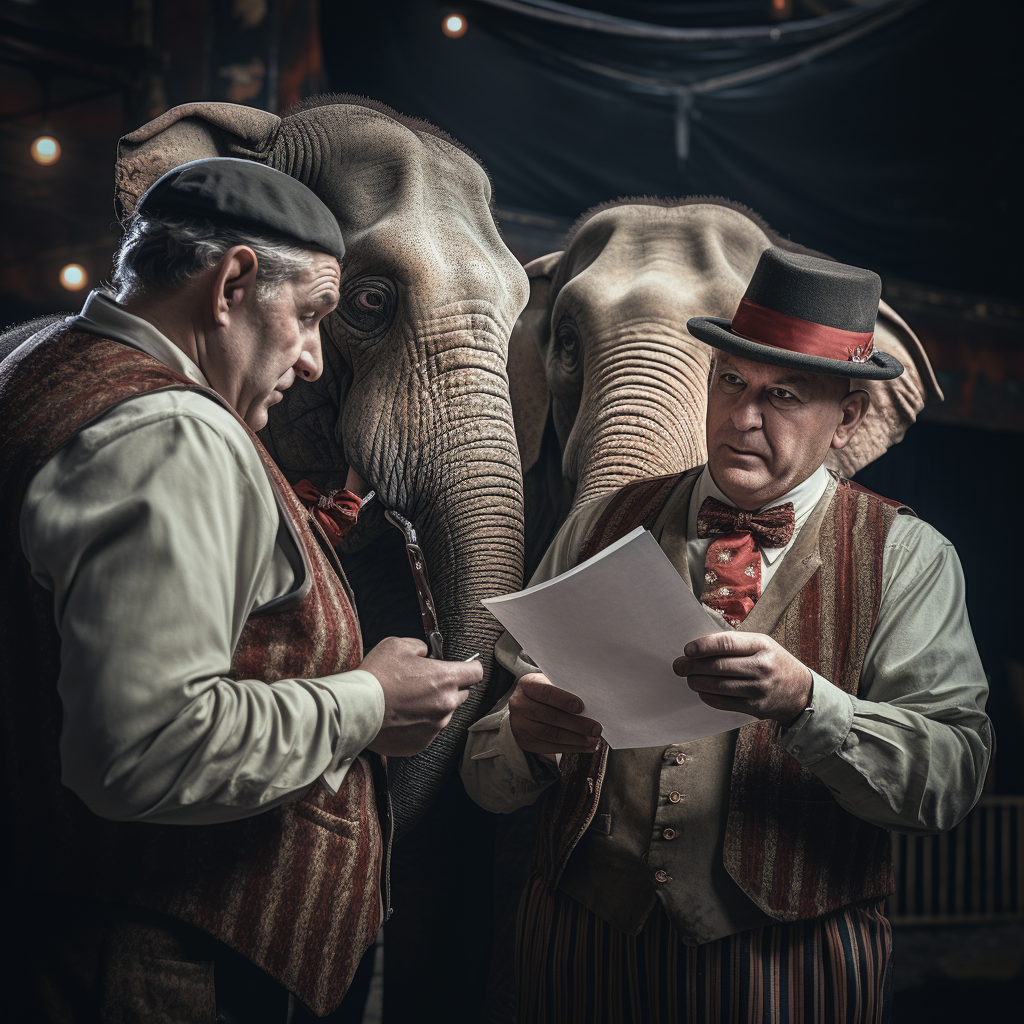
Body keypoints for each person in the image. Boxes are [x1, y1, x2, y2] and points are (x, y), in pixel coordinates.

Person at [0, 157, 481, 1023]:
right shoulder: (173, 432)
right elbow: (144, 749)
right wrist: (368, 700)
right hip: (138, 961)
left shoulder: (35, 363)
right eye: (310, 317)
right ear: (232, 283)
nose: (311, 360)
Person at [461, 248, 992, 1024]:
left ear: (848, 418)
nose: (744, 418)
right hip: (579, 949)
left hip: (791, 968)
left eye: (784, 395)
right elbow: (486, 771)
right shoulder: (598, 524)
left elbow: (951, 780)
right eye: (731, 382)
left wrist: (809, 704)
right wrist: (524, 737)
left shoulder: (909, 557)